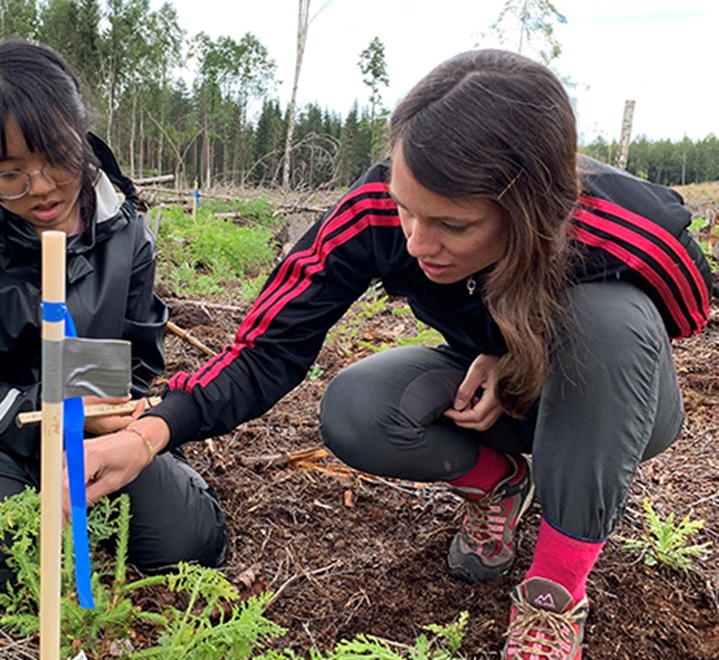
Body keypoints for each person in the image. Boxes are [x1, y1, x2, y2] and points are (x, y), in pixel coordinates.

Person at [77, 49, 711, 657]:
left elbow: (663, 330)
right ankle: (503, 486)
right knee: (357, 407)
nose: (416, 242)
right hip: (486, 389)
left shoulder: (623, 230)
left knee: (608, 315)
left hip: (608, 404)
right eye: (408, 210)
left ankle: (553, 594)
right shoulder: (377, 213)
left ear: (528, 210)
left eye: (451, 226)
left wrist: (527, 349)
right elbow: (267, 346)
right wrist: (152, 432)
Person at [0, 38, 226, 604]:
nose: (44, 188)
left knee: (189, 541)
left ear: (80, 133)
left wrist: (97, 418)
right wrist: (33, 422)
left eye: (57, 157)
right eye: (12, 174)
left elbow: (137, 355)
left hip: (86, 425)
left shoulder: (124, 236)